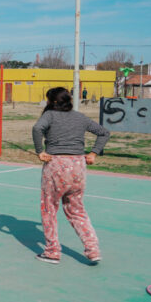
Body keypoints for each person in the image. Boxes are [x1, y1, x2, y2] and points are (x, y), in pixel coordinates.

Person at [31, 86, 111, 265]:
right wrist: (93, 153)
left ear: (52, 101)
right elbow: (104, 132)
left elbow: (37, 128)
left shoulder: (50, 115)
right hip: (78, 166)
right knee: (77, 210)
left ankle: (52, 251)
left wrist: (39, 151)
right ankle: (93, 249)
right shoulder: (80, 117)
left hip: (56, 165)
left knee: (49, 209)